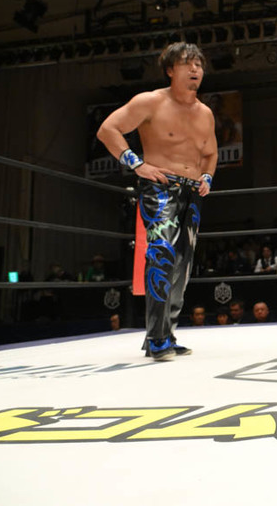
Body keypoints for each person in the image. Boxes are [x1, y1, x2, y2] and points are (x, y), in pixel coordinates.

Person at [96, 42, 217, 361]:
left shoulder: (205, 113)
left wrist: (207, 177)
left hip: (193, 192)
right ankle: (156, 337)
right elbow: (108, 129)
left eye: (199, 64)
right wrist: (137, 164)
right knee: (161, 255)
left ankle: (166, 334)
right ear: (170, 70)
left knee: (182, 267)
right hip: (160, 188)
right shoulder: (150, 101)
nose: (195, 69)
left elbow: (210, 153)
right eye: (188, 63)